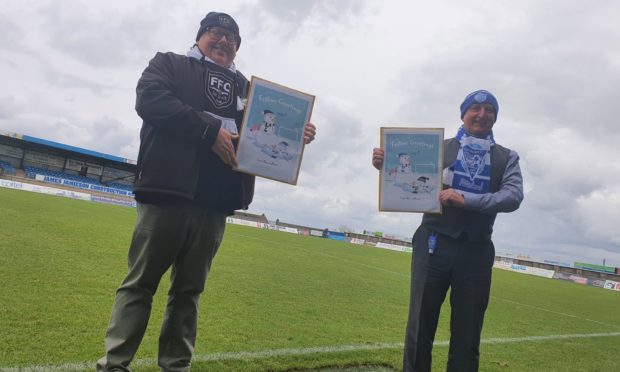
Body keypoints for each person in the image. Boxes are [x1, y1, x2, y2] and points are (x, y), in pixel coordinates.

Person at [97, 11, 316, 372]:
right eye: (215, 33)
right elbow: (149, 99)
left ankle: (176, 365)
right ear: (200, 36)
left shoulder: (250, 89)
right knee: (140, 284)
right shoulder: (169, 64)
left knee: (188, 292)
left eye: (232, 39)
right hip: (166, 195)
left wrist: (295, 134)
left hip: (215, 204)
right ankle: (115, 363)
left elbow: (264, 137)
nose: (224, 42)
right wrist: (208, 129)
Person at [372, 90, 523, 372]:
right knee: (420, 323)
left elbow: (513, 197)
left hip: (476, 249)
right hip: (433, 242)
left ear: (495, 117)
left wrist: (466, 199)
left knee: (468, 332)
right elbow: (406, 179)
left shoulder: (506, 157)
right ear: (463, 114)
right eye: (475, 109)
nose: (481, 114)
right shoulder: (436, 148)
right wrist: (386, 163)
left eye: (489, 109)